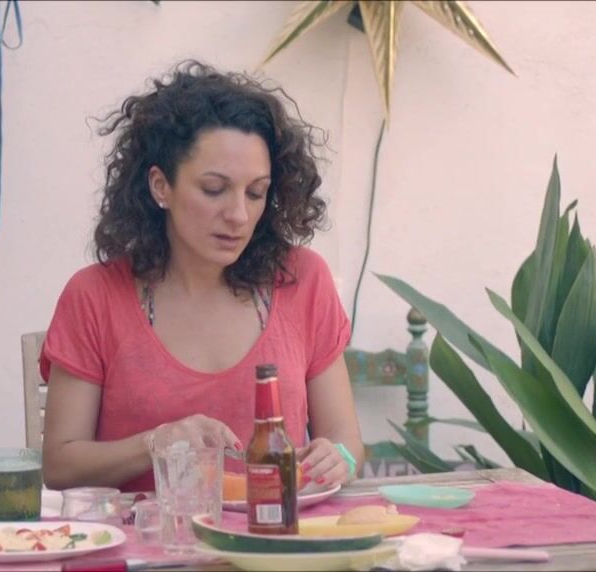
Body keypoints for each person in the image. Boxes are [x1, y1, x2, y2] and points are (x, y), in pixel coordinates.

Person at [39, 60, 364, 493]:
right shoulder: (94, 295)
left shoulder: (303, 279)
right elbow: (60, 465)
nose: (238, 214)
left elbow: (347, 441)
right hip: (149, 533)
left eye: (256, 192)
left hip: (275, 529)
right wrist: (157, 443)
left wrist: (339, 458)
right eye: (214, 189)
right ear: (161, 186)